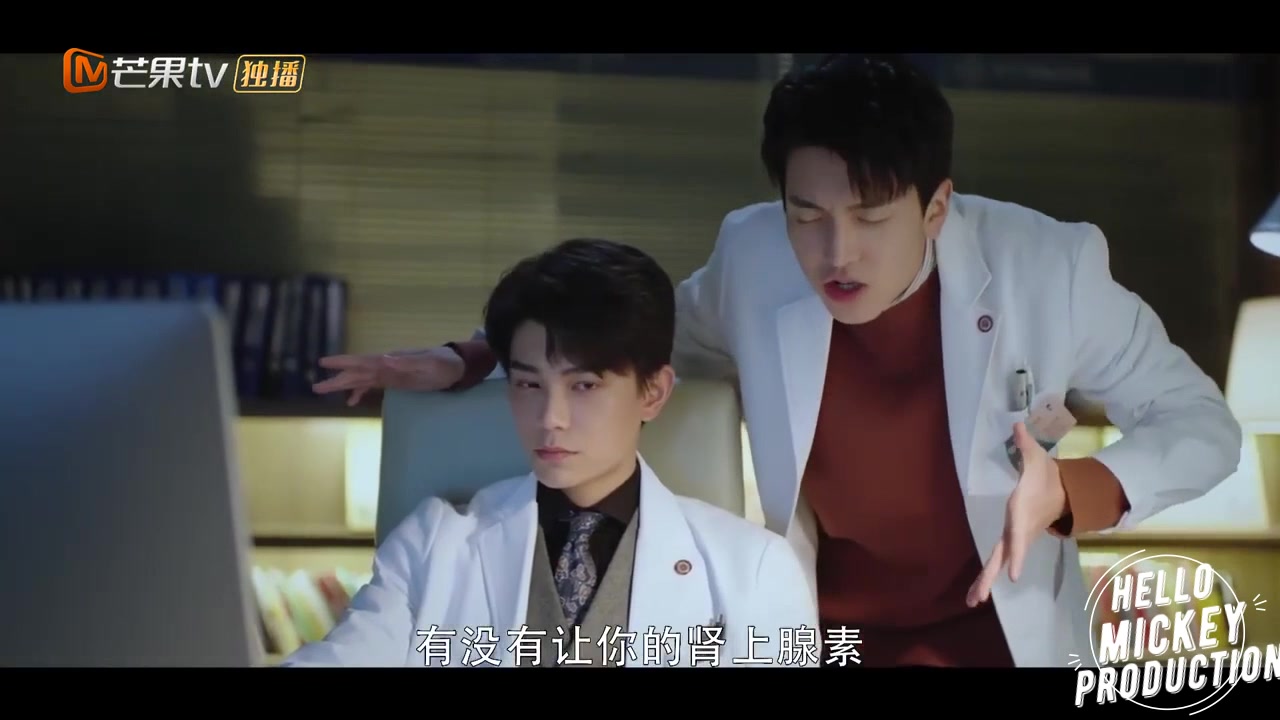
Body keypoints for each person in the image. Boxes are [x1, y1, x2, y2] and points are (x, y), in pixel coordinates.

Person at [312, 55, 1242, 667]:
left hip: (998, 634)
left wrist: (1071, 490)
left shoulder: (1051, 268)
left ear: (935, 207)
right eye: (808, 214)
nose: (836, 254)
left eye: (871, 218)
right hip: (819, 631)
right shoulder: (755, 257)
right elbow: (635, 344)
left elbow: (1201, 426)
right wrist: (472, 355)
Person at [288, 238, 818, 668]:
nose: (550, 417)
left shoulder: (754, 568)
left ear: (653, 393)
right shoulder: (433, 545)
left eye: (584, 386)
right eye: (528, 384)